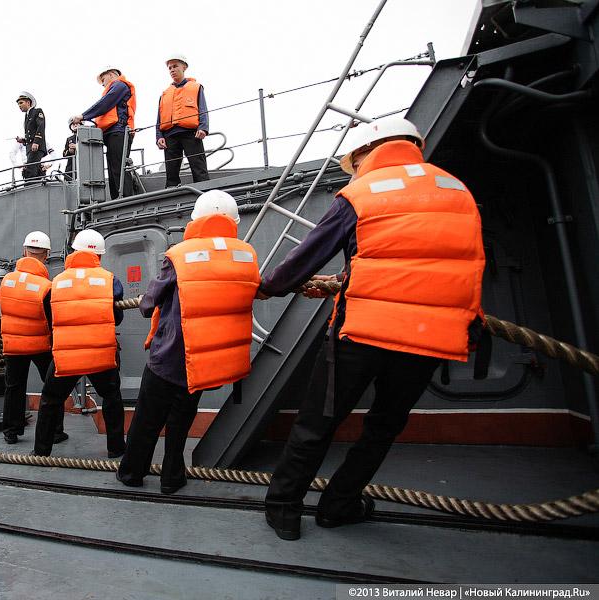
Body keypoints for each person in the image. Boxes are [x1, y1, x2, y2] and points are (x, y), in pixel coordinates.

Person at [257, 117, 485, 541]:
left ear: (365, 152)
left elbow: (307, 257)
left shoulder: (361, 194)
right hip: (431, 335)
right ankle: (339, 505)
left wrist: (268, 287)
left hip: (362, 333)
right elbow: (463, 260)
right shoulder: (458, 190)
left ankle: (284, 509)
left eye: (355, 163)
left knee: (317, 422)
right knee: (384, 426)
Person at [117, 190, 259, 494]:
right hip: (204, 361)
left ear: (196, 220)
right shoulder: (246, 255)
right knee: (181, 421)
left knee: (147, 419)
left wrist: (145, 301)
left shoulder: (179, 255)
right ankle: (172, 478)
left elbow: (149, 303)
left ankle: (132, 473)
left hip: (170, 355)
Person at [32, 229, 127, 458]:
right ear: (99, 256)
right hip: (100, 354)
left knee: (50, 399)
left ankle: (41, 451)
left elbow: (50, 316)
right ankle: (116, 449)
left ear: (73, 252)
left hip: (67, 355)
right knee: (111, 397)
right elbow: (117, 317)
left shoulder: (56, 283)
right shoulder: (110, 280)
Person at [0, 231, 67, 445]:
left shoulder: (6, 280)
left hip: (13, 345)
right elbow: (52, 319)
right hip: (40, 345)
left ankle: (11, 431)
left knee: (14, 387)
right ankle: (55, 432)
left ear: (24, 251)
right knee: (52, 387)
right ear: (46, 255)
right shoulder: (46, 287)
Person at [70, 67, 136, 199]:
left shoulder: (119, 85)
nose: (103, 84)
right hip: (111, 132)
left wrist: (83, 116)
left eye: (103, 79)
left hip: (119, 130)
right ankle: (117, 198)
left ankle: (125, 198)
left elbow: (105, 103)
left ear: (111, 75)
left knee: (119, 166)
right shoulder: (115, 87)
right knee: (113, 168)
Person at [156, 53, 210, 188]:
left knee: (198, 167)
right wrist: (159, 136)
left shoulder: (196, 87)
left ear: (184, 67)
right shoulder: (164, 94)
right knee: (171, 172)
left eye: (175, 66)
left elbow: (202, 108)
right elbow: (159, 118)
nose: (172, 70)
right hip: (170, 136)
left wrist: (203, 127)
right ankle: (171, 194)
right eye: (170, 68)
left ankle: (204, 192)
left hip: (191, 134)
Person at [16, 91, 47, 180]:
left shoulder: (37, 111)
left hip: (36, 146)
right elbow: (30, 134)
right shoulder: (27, 116)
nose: (19, 106)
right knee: (35, 168)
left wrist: (36, 142)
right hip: (30, 148)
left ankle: (29, 185)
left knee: (30, 169)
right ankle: (39, 182)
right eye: (18, 104)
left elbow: (41, 126)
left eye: (21, 103)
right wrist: (23, 140)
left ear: (28, 102)